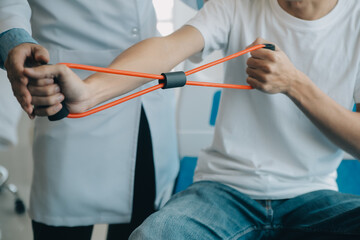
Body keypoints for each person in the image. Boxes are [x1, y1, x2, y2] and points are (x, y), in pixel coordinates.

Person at [13, 0, 360, 239]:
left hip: (313, 198)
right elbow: (166, 49)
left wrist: (294, 84)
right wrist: (89, 93)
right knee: (153, 234)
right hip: (225, 193)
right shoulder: (237, 4)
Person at [0, 1, 183, 239]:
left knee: (143, 222)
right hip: (69, 86)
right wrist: (14, 40)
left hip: (147, 96)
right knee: (64, 224)